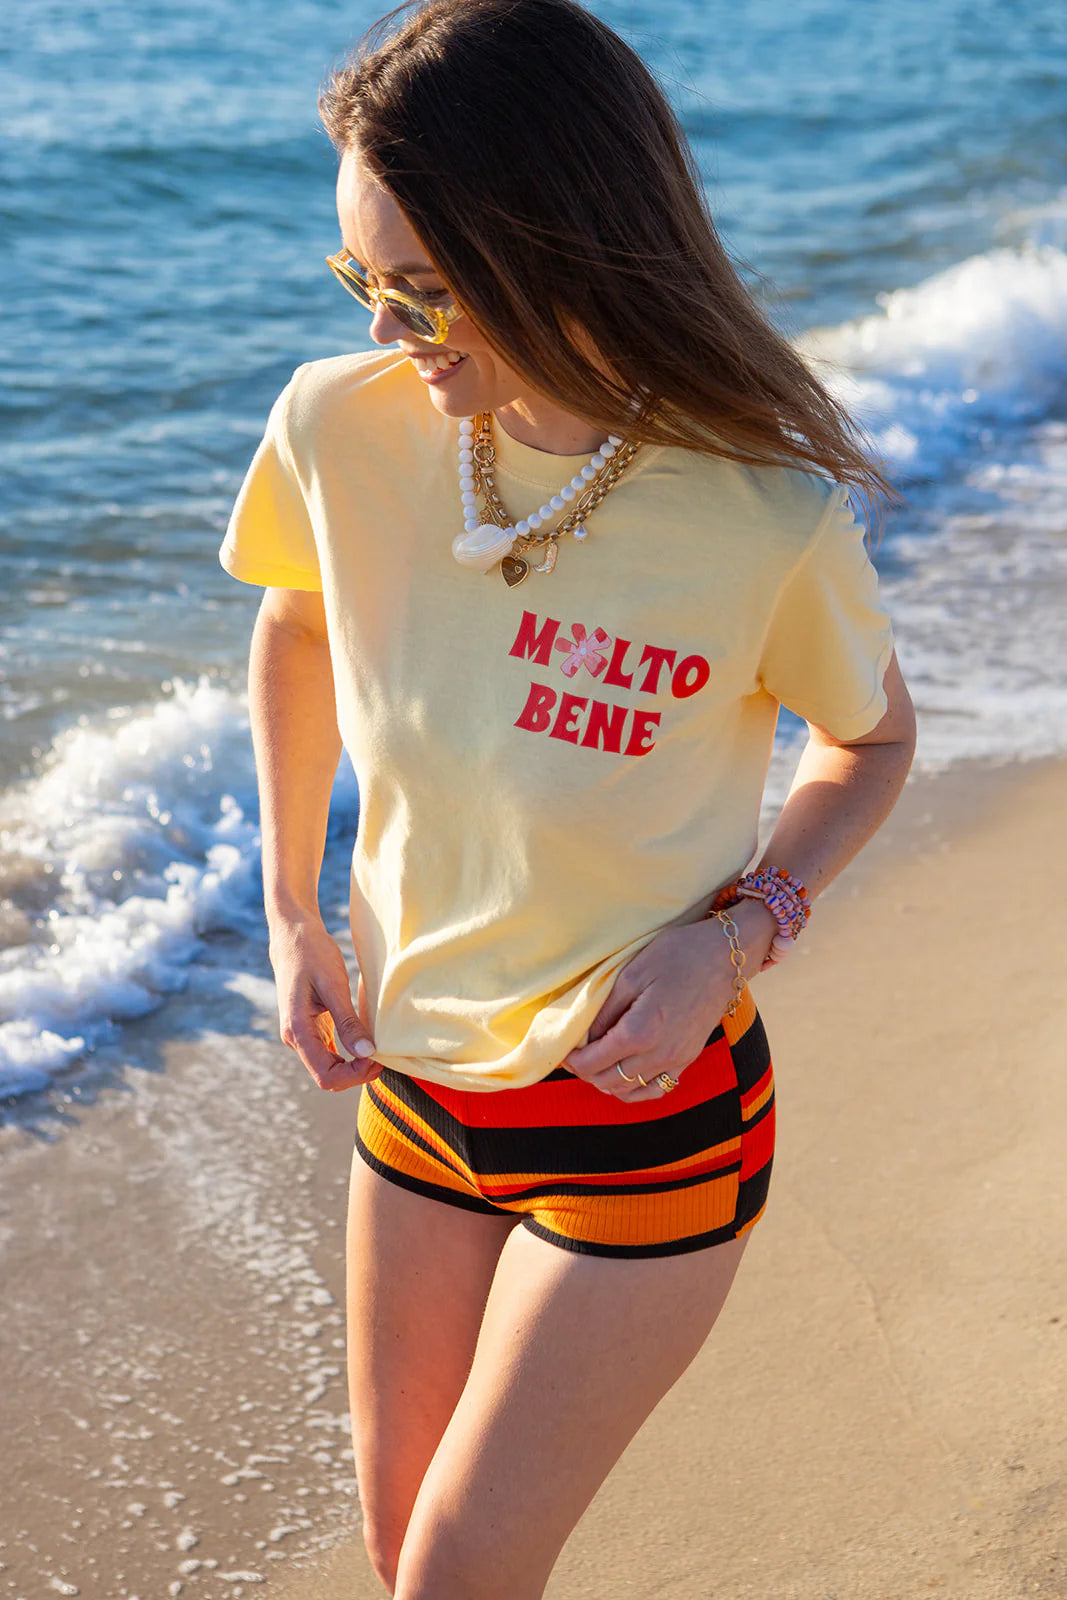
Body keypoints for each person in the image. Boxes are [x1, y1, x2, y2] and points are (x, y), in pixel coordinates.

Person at [217, 0, 916, 1593]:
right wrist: (289, 907)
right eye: (364, 280)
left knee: (459, 1573)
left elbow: (869, 746)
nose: (393, 327)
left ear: (562, 241)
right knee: (410, 1562)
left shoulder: (763, 518)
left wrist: (735, 935)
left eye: (429, 286)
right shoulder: (341, 427)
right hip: (414, 1092)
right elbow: (301, 618)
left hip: (648, 1115)